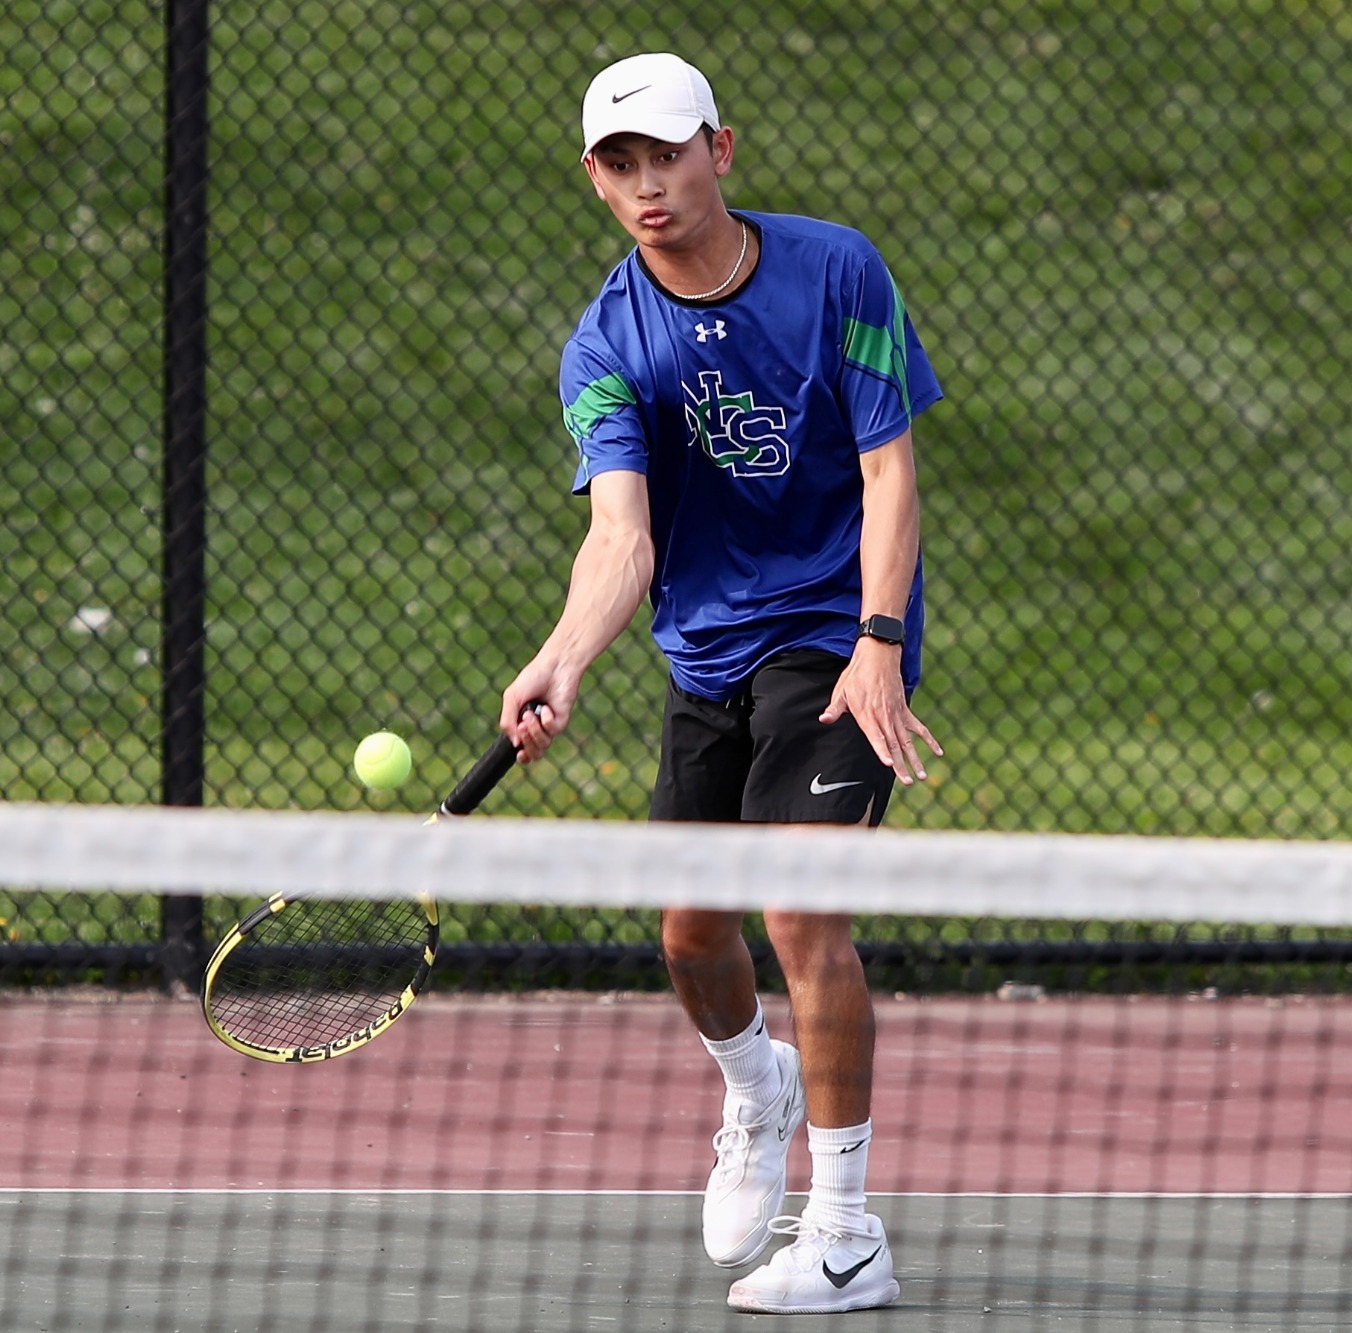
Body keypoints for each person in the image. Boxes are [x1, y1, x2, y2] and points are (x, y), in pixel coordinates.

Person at [498, 51, 942, 1316]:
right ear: (594, 178)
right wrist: (563, 660)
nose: (647, 185)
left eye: (667, 155)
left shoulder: (835, 270)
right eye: (618, 164)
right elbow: (620, 539)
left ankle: (847, 1233)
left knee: (800, 909)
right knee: (692, 933)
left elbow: (887, 471)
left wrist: (877, 640)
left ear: (721, 151)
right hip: (707, 648)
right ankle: (757, 1086)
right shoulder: (605, 345)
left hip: (833, 630)